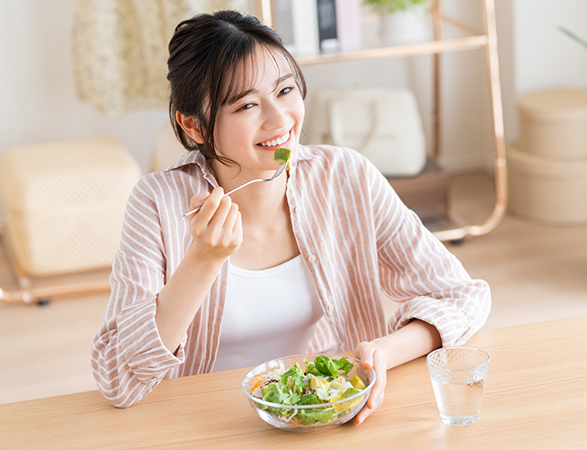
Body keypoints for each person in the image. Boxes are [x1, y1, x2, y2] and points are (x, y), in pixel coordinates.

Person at [91, 10, 490, 424]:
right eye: (247, 105)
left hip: (322, 419)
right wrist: (203, 259)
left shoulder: (344, 176)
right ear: (194, 126)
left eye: (285, 90)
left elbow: (463, 295)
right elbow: (119, 379)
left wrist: (385, 351)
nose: (280, 120)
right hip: (204, 425)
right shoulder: (156, 202)